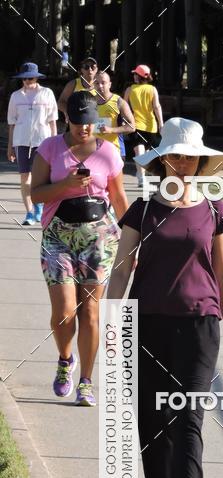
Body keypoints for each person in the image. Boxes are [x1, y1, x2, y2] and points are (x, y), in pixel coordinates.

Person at [106, 117, 223, 478]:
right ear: (163, 159)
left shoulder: (216, 210)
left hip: (202, 323)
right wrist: (114, 324)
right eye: (176, 155)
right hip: (146, 323)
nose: (183, 163)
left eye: (191, 157)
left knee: (189, 415)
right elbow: (121, 269)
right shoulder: (142, 210)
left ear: (200, 164)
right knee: (152, 414)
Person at [30, 91, 128, 407]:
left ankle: (86, 381)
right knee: (64, 313)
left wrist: (132, 244)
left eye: (89, 123)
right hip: (57, 237)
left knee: (90, 313)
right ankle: (65, 359)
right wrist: (67, 185)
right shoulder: (49, 148)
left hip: (99, 237)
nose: (84, 129)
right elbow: (37, 194)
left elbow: (119, 199)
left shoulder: (109, 154)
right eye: (78, 123)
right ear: (67, 119)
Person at [7, 62, 58, 225]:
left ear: (36, 77)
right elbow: (12, 122)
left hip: (42, 140)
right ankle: (29, 212)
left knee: (41, 176)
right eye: (24, 78)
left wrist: (55, 143)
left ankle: (40, 206)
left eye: (30, 78)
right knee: (24, 177)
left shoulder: (47, 93)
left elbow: (52, 120)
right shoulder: (16, 96)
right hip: (21, 140)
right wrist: (10, 147)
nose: (28, 81)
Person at [124, 65, 163, 187]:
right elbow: (157, 107)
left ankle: (141, 176)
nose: (134, 76)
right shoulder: (152, 89)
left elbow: (124, 105)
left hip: (135, 124)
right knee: (143, 152)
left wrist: (125, 119)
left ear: (139, 76)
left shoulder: (130, 90)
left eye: (135, 74)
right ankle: (141, 177)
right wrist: (161, 123)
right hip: (151, 125)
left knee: (141, 152)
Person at [93, 70, 136, 158]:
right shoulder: (89, 101)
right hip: (93, 152)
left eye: (103, 83)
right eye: (96, 83)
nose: (100, 86)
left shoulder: (119, 102)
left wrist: (111, 130)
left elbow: (132, 127)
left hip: (114, 152)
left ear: (109, 84)